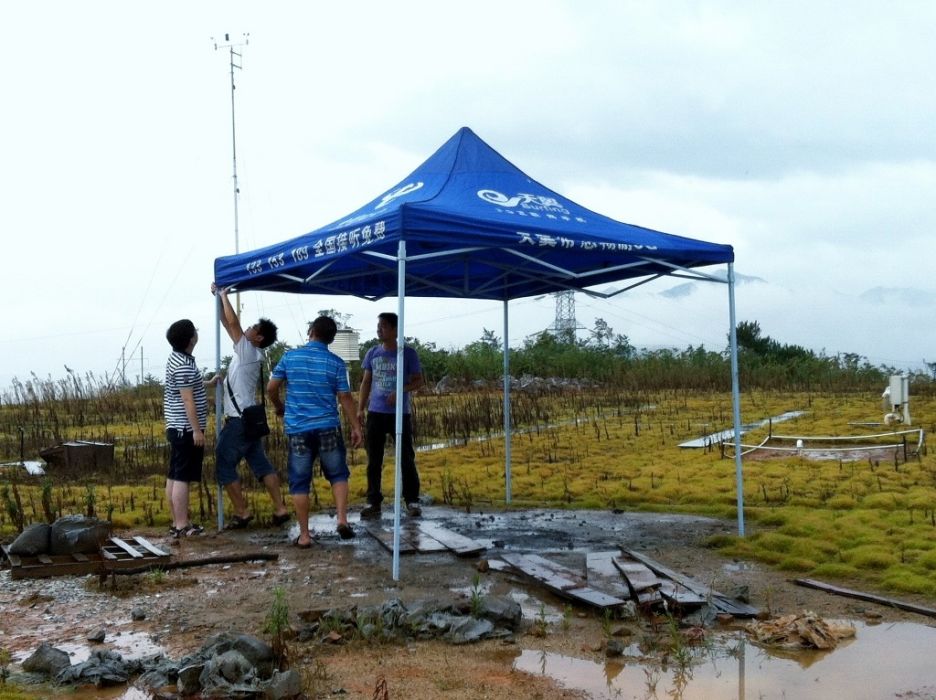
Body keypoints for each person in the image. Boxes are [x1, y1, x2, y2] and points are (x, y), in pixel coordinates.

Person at [267, 315, 363, 547]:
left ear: (310, 331)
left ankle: (305, 535)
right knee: (338, 474)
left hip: (298, 429)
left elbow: (272, 387)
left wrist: (280, 406)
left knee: (300, 482)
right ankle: (341, 519)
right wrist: (357, 426)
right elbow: (345, 397)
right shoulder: (336, 363)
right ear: (331, 339)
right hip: (328, 427)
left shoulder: (290, 357)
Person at [212, 284, 290, 529]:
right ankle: (280, 508)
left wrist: (224, 295)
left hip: (238, 420)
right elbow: (227, 323)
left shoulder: (249, 351)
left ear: (259, 338)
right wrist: (217, 299)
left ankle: (242, 513)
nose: (247, 328)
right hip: (248, 420)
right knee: (260, 463)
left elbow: (233, 325)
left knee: (223, 463)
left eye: (253, 327)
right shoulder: (246, 352)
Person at [358, 312, 424, 519]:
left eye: (384, 326)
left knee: (406, 458)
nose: (379, 329)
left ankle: (411, 499)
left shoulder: (408, 353)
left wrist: (401, 389)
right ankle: (373, 501)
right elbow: (366, 382)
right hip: (376, 413)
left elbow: (418, 381)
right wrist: (360, 409)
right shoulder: (372, 353)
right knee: (374, 459)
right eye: (378, 325)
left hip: (400, 414)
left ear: (395, 330)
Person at [163, 319, 208, 538]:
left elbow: (188, 385)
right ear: (191, 339)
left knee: (174, 474)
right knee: (182, 476)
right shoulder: (183, 365)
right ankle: (181, 525)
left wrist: (207, 383)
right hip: (185, 428)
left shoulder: (179, 359)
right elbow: (187, 399)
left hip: (176, 426)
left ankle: (177, 521)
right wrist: (197, 430)